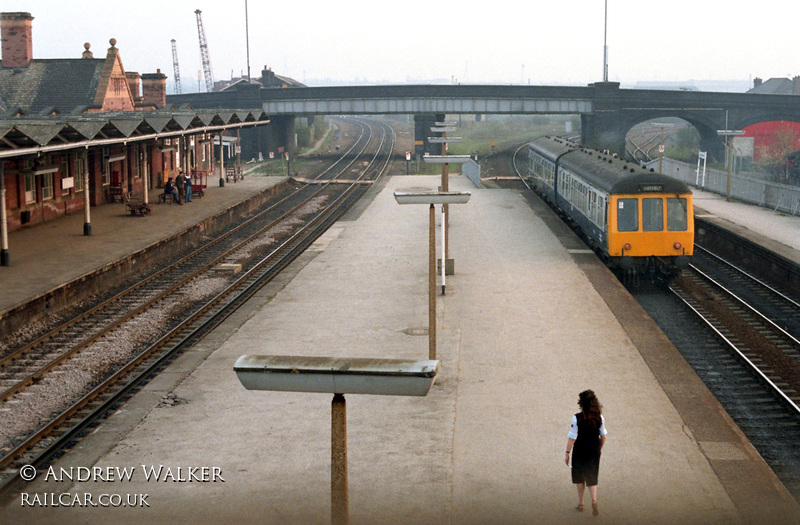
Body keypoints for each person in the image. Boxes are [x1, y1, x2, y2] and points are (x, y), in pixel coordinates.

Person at [565, 389, 607, 516]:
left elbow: (572, 437)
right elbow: (603, 436)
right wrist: (599, 448)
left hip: (580, 449)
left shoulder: (576, 418)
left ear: (582, 404)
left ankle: (581, 503)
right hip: (594, 449)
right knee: (592, 475)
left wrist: (567, 452)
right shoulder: (600, 417)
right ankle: (594, 500)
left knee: (579, 476)